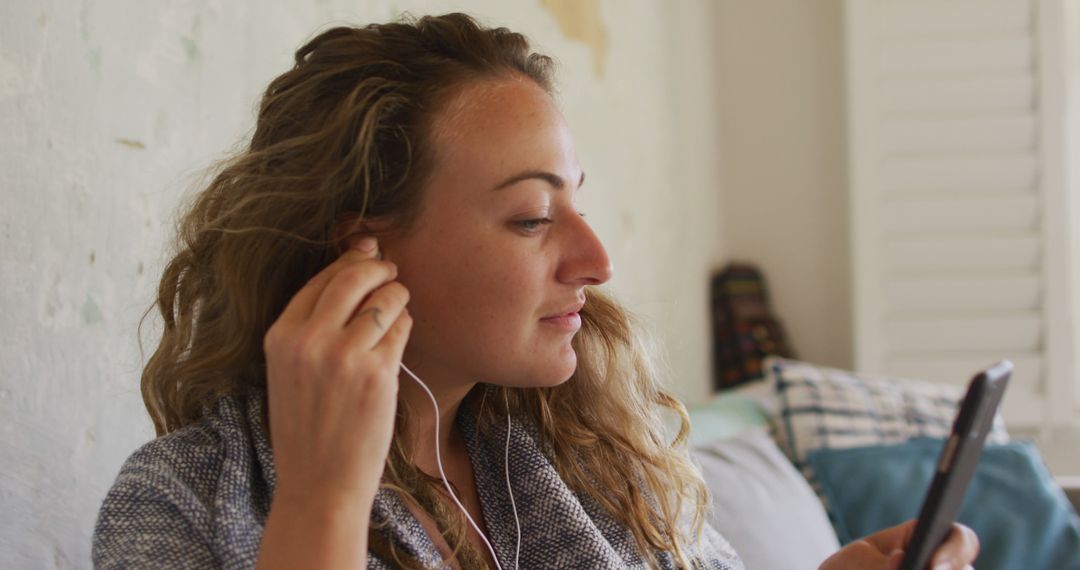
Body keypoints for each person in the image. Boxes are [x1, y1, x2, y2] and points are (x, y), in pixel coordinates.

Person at [92, 13, 979, 570]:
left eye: (577, 202)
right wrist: (324, 500)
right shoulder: (184, 500)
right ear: (359, 250)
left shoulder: (590, 447)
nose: (597, 259)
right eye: (529, 219)